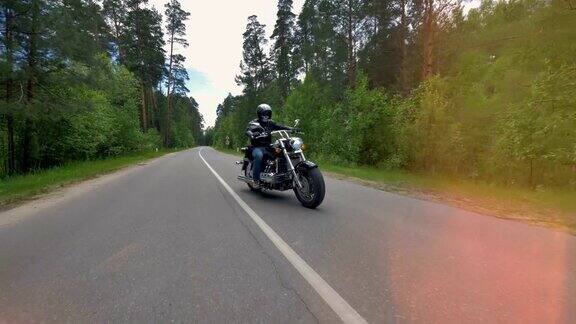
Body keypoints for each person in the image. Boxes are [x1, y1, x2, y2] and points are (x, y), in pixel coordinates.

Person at [245, 104, 292, 186]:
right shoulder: (254, 123)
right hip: (256, 147)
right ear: (259, 114)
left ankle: (281, 175)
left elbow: (280, 126)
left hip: (268, 146)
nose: (266, 116)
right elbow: (248, 130)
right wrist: (252, 134)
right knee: (259, 156)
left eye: (267, 114)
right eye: (263, 114)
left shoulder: (271, 123)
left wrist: (291, 128)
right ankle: (256, 180)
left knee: (282, 153)